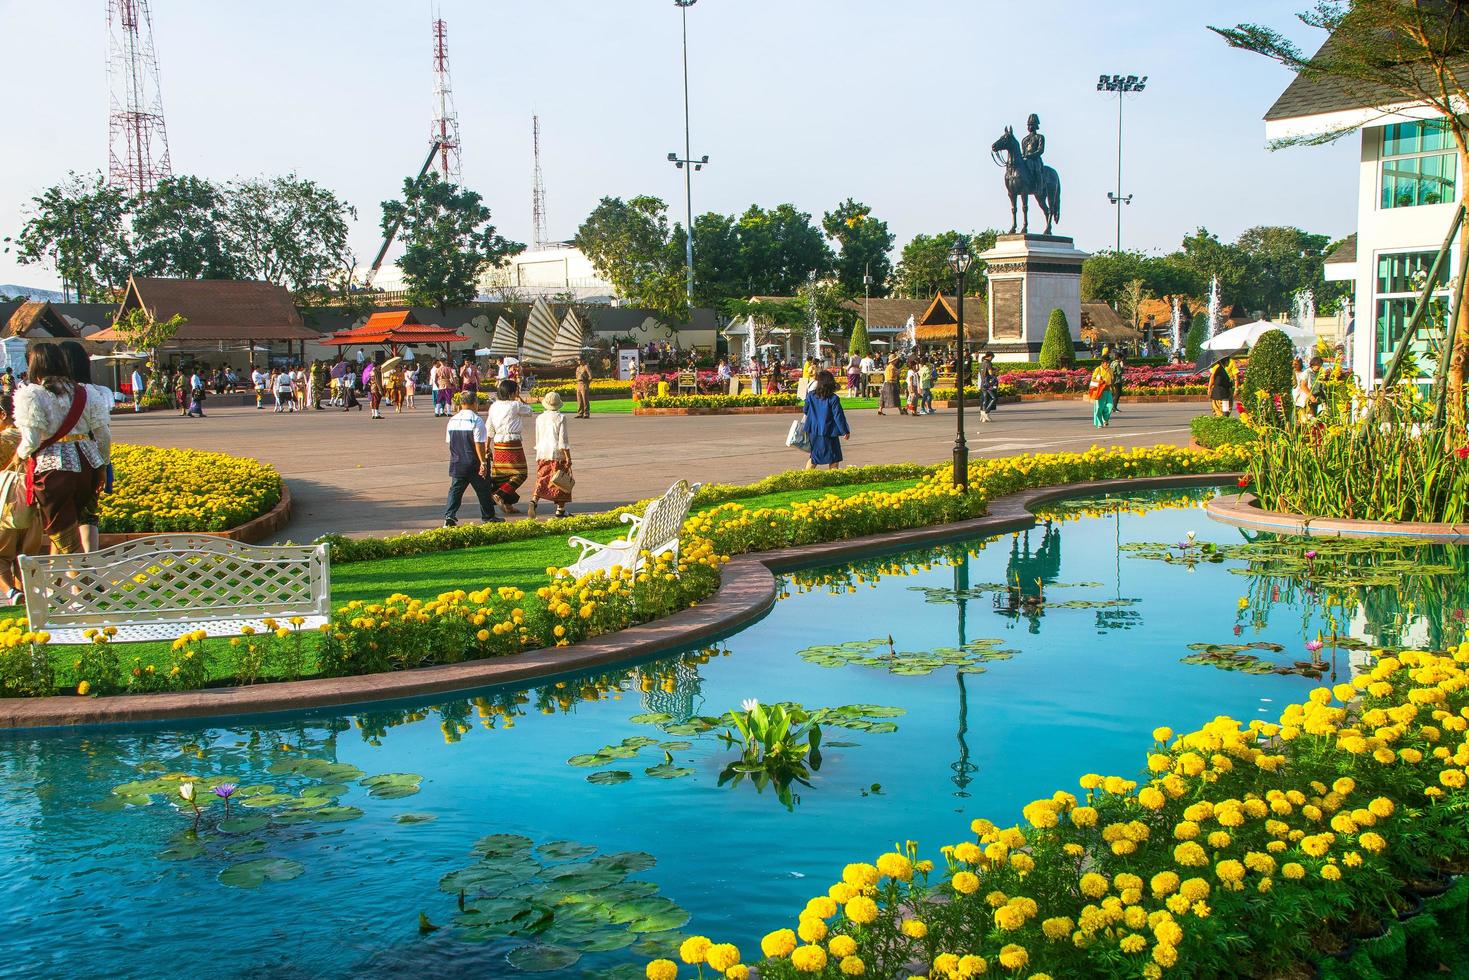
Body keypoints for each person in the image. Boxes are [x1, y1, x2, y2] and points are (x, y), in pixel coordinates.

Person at [15, 343, 110, 556]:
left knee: (64, 536)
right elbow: (104, 435)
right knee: (77, 525)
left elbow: (30, 440)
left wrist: (18, 456)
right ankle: (58, 587)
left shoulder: (31, 394)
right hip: (88, 464)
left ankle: (84, 584)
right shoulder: (86, 392)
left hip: (53, 469)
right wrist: (102, 465)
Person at [0, 393, 46, 604]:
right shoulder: (37, 437)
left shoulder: (3, 440)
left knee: (1, 557)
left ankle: (11, 592)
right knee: (24, 558)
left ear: (3, 415)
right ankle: (27, 599)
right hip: (32, 503)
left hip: (6, 506)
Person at [442, 391, 501, 527]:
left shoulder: (452, 420)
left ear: (461, 404)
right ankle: (488, 516)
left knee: (455, 491)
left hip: (457, 461)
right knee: (483, 490)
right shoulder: (476, 420)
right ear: (474, 403)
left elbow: (450, 442)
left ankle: (449, 516)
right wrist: (483, 462)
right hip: (473, 461)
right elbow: (479, 443)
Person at [486, 378, 534, 514]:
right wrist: (518, 399)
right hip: (512, 442)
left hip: (498, 443)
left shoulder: (494, 406)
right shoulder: (515, 405)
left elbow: (489, 427)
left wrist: (486, 447)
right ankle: (500, 495)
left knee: (503, 476)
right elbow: (530, 411)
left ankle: (508, 504)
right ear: (512, 393)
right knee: (521, 473)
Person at [530, 391, 572, 519]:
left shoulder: (540, 418)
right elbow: (563, 440)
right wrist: (568, 457)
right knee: (561, 480)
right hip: (556, 453)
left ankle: (534, 500)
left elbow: (538, 437)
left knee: (542, 477)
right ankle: (560, 508)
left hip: (542, 451)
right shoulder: (560, 418)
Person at [803, 369, 850, 471]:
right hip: (828, 431)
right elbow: (838, 416)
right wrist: (845, 431)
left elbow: (805, 410)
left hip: (813, 431)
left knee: (814, 457)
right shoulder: (833, 398)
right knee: (833, 457)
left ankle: (806, 477)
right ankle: (833, 479)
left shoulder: (811, 395)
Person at [1089, 353, 1115, 428]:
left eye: (1108, 362)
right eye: (1106, 362)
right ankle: (1099, 423)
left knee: (1110, 406)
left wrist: (1113, 389)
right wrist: (1099, 381)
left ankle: (1105, 419)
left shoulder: (1110, 370)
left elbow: (1112, 380)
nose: (1108, 364)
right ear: (1102, 363)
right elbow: (1093, 378)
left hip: (1108, 390)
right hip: (1100, 391)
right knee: (1099, 408)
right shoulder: (1098, 369)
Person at [978, 352, 999, 423]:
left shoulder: (981, 363)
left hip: (982, 383)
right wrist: (996, 370)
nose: (992, 359)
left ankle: (983, 414)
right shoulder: (988, 363)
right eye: (992, 357)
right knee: (993, 398)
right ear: (990, 356)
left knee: (984, 399)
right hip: (988, 384)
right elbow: (990, 373)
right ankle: (986, 412)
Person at [1110, 348, 1126, 413]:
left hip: (1113, 380)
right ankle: (1114, 407)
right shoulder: (1117, 364)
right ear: (1119, 358)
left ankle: (1113, 407)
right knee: (1117, 394)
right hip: (1117, 380)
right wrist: (1122, 367)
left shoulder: (1112, 363)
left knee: (1115, 394)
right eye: (1121, 358)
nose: (1122, 359)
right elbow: (1119, 372)